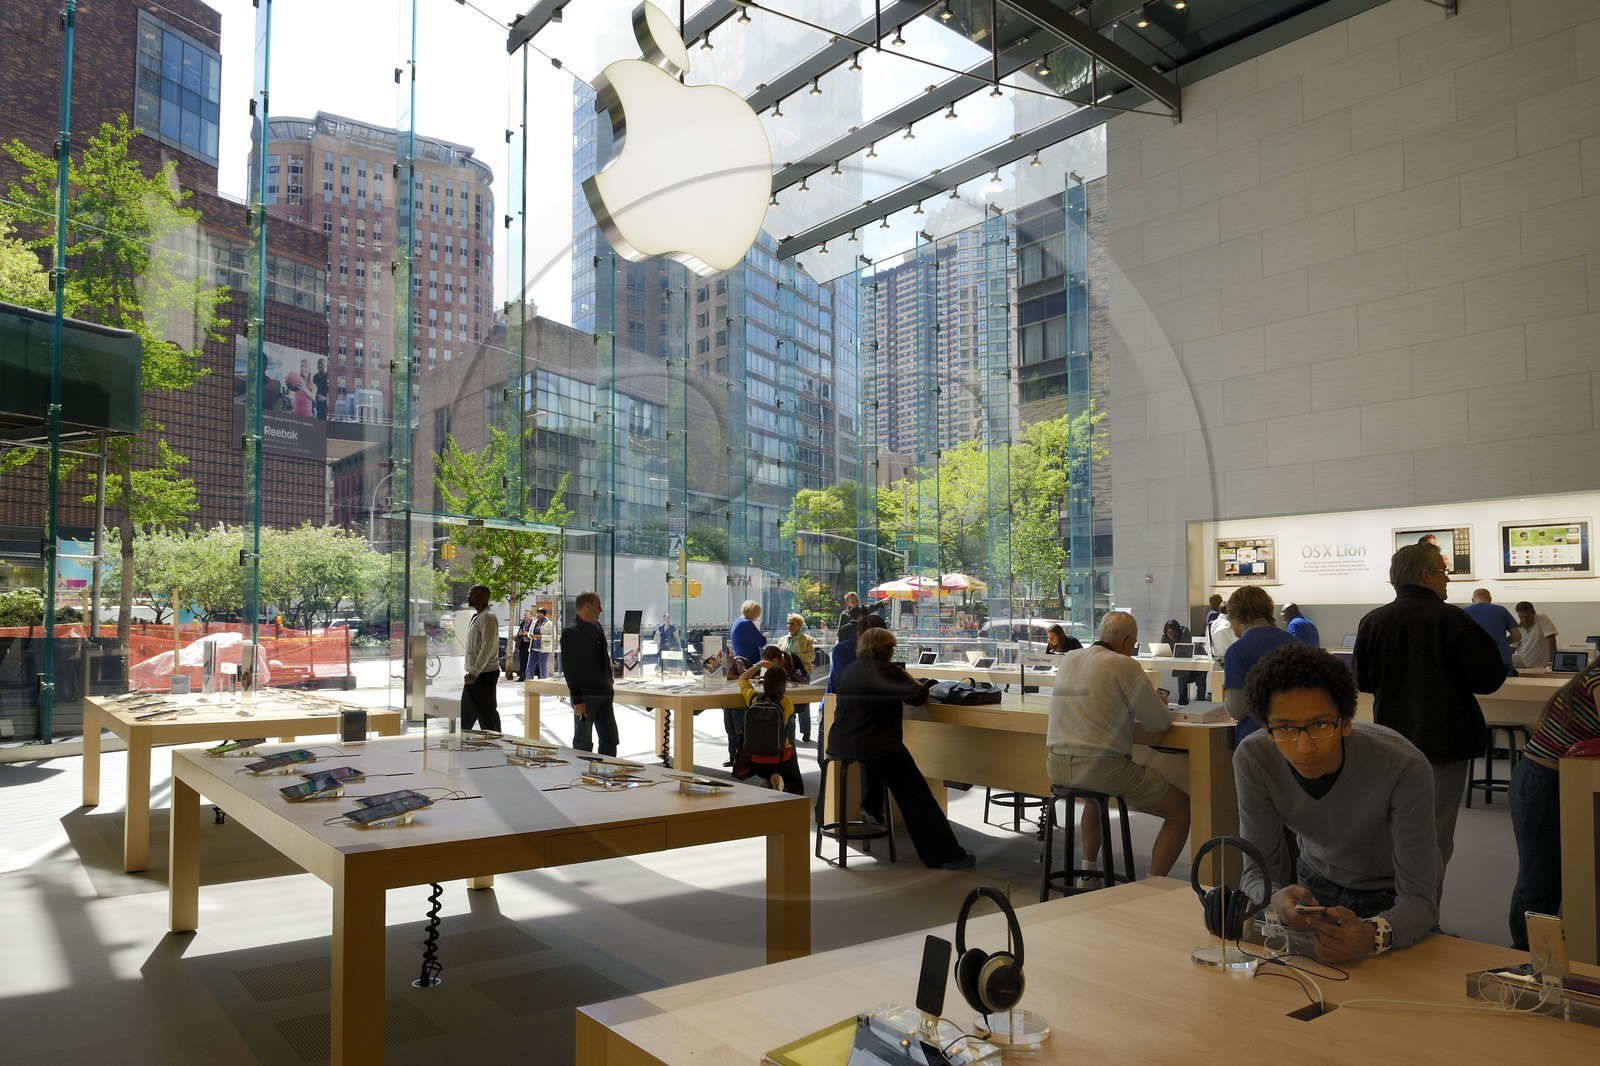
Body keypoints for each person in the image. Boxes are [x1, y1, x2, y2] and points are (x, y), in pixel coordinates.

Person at [1235, 644, 1438, 964]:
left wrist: (1371, 936)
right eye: (1286, 728)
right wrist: (1275, 899)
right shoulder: (1253, 758)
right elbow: (1255, 872)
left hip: (1390, 898)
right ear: (1268, 731)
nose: (1304, 747)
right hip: (1313, 888)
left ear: (1346, 722)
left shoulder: (1402, 765)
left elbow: (1421, 900)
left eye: (1319, 725)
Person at [1354, 544, 1505, 891]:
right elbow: (1490, 678)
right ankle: (1422, 918)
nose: (1447, 579)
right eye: (1443, 571)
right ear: (1425, 576)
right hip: (1445, 743)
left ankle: (1389, 913)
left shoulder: (1373, 621)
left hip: (1389, 742)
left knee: (1394, 830)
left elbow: (1362, 681)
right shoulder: (1452, 619)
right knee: (1434, 837)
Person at [1046, 611, 1190, 878]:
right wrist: (1158, 705)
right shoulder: (1124, 665)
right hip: (1103, 769)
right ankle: (1152, 885)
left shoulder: (1069, 658)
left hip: (1056, 765)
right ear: (1126, 642)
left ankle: (1087, 875)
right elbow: (1158, 723)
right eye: (1133, 645)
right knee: (1181, 811)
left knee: (1094, 797)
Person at [829, 626, 975, 870]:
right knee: (918, 796)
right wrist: (906, 676)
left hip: (841, 744)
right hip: (877, 745)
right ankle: (945, 854)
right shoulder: (888, 671)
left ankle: (872, 806)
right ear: (888, 650)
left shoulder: (850, 670)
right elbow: (918, 697)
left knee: (883, 767)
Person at [1508, 655, 1600, 949]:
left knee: (1561, 876)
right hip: (1543, 783)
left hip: (1561, 782)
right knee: (1539, 880)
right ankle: (1524, 955)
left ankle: (1547, 955)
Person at [1222, 586, 1295, 748]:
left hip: (1255, 739)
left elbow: (1237, 709)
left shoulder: (1237, 651)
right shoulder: (1295, 643)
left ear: (1237, 615)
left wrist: (1225, 700)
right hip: (1296, 735)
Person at [735, 648, 805, 795]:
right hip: (780, 758)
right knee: (798, 787)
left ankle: (768, 780)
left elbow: (742, 679)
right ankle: (781, 783)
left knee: (768, 772)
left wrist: (758, 665)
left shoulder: (753, 698)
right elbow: (791, 715)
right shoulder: (786, 702)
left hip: (756, 760)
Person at [562, 591, 618, 756]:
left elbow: (603, 655)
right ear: (587, 606)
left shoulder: (597, 626)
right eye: (598, 605)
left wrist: (609, 679)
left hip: (605, 692)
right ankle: (582, 776)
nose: (601, 609)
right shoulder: (571, 632)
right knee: (583, 742)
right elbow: (569, 668)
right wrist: (578, 699)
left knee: (610, 738)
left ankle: (607, 772)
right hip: (586, 695)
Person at [725, 600, 765, 766]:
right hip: (748, 668)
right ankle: (742, 754)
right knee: (741, 711)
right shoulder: (747, 624)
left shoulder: (737, 623)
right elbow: (762, 641)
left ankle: (733, 754)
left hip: (738, 667)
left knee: (732, 711)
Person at [459, 584, 501, 733]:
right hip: (475, 675)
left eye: (472, 594)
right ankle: (464, 742)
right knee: (467, 714)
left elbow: (487, 647)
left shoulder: (488, 617)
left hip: (483, 675)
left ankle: (495, 744)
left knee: (486, 715)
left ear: (484, 597)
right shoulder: (479, 616)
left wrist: (475, 672)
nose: (468, 596)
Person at [1463, 589, 1520, 678]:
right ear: (1490, 599)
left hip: (1474, 661)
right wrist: (1503, 642)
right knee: (1508, 690)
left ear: (1472, 600)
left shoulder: (1464, 612)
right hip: (1501, 660)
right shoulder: (1501, 610)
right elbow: (1517, 635)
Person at [779, 613, 817, 743]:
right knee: (789, 702)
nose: (789, 626)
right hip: (787, 676)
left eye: (793, 623)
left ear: (800, 625)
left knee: (803, 702)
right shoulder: (783, 639)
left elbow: (811, 656)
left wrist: (793, 657)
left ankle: (806, 731)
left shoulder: (807, 639)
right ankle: (791, 732)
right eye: (788, 623)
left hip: (802, 674)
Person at [1514, 601, 1559, 671]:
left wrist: (1552, 663)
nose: (1524, 620)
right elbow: (1512, 648)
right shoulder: (1516, 625)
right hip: (1522, 667)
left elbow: (1551, 640)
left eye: (1527, 616)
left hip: (1541, 667)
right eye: (1521, 617)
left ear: (1534, 613)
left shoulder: (1542, 619)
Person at [1161, 618, 1196, 705]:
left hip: (1190, 663)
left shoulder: (1184, 634)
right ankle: (1182, 703)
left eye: (1171, 632)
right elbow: (1163, 648)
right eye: (1167, 632)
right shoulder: (1166, 636)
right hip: (1181, 665)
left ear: (1176, 631)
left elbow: (1183, 650)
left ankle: (1198, 703)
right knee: (1181, 678)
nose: (1169, 634)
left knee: (1183, 678)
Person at [529, 606, 551, 679]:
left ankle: (543, 684)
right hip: (533, 648)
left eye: (540, 613)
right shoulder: (534, 622)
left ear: (544, 614)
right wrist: (531, 636)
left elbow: (552, 637)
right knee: (529, 667)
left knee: (543, 668)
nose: (538, 615)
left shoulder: (549, 624)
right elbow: (529, 632)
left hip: (544, 649)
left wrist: (542, 637)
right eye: (537, 613)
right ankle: (529, 684)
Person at [513, 608, 534, 682]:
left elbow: (533, 634)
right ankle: (522, 676)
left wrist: (527, 634)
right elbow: (519, 634)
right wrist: (519, 634)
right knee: (522, 661)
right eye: (524, 615)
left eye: (526, 615)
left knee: (529, 661)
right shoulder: (522, 623)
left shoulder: (533, 623)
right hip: (522, 644)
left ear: (530, 616)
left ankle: (529, 677)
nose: (525, 616)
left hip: (529, 644)